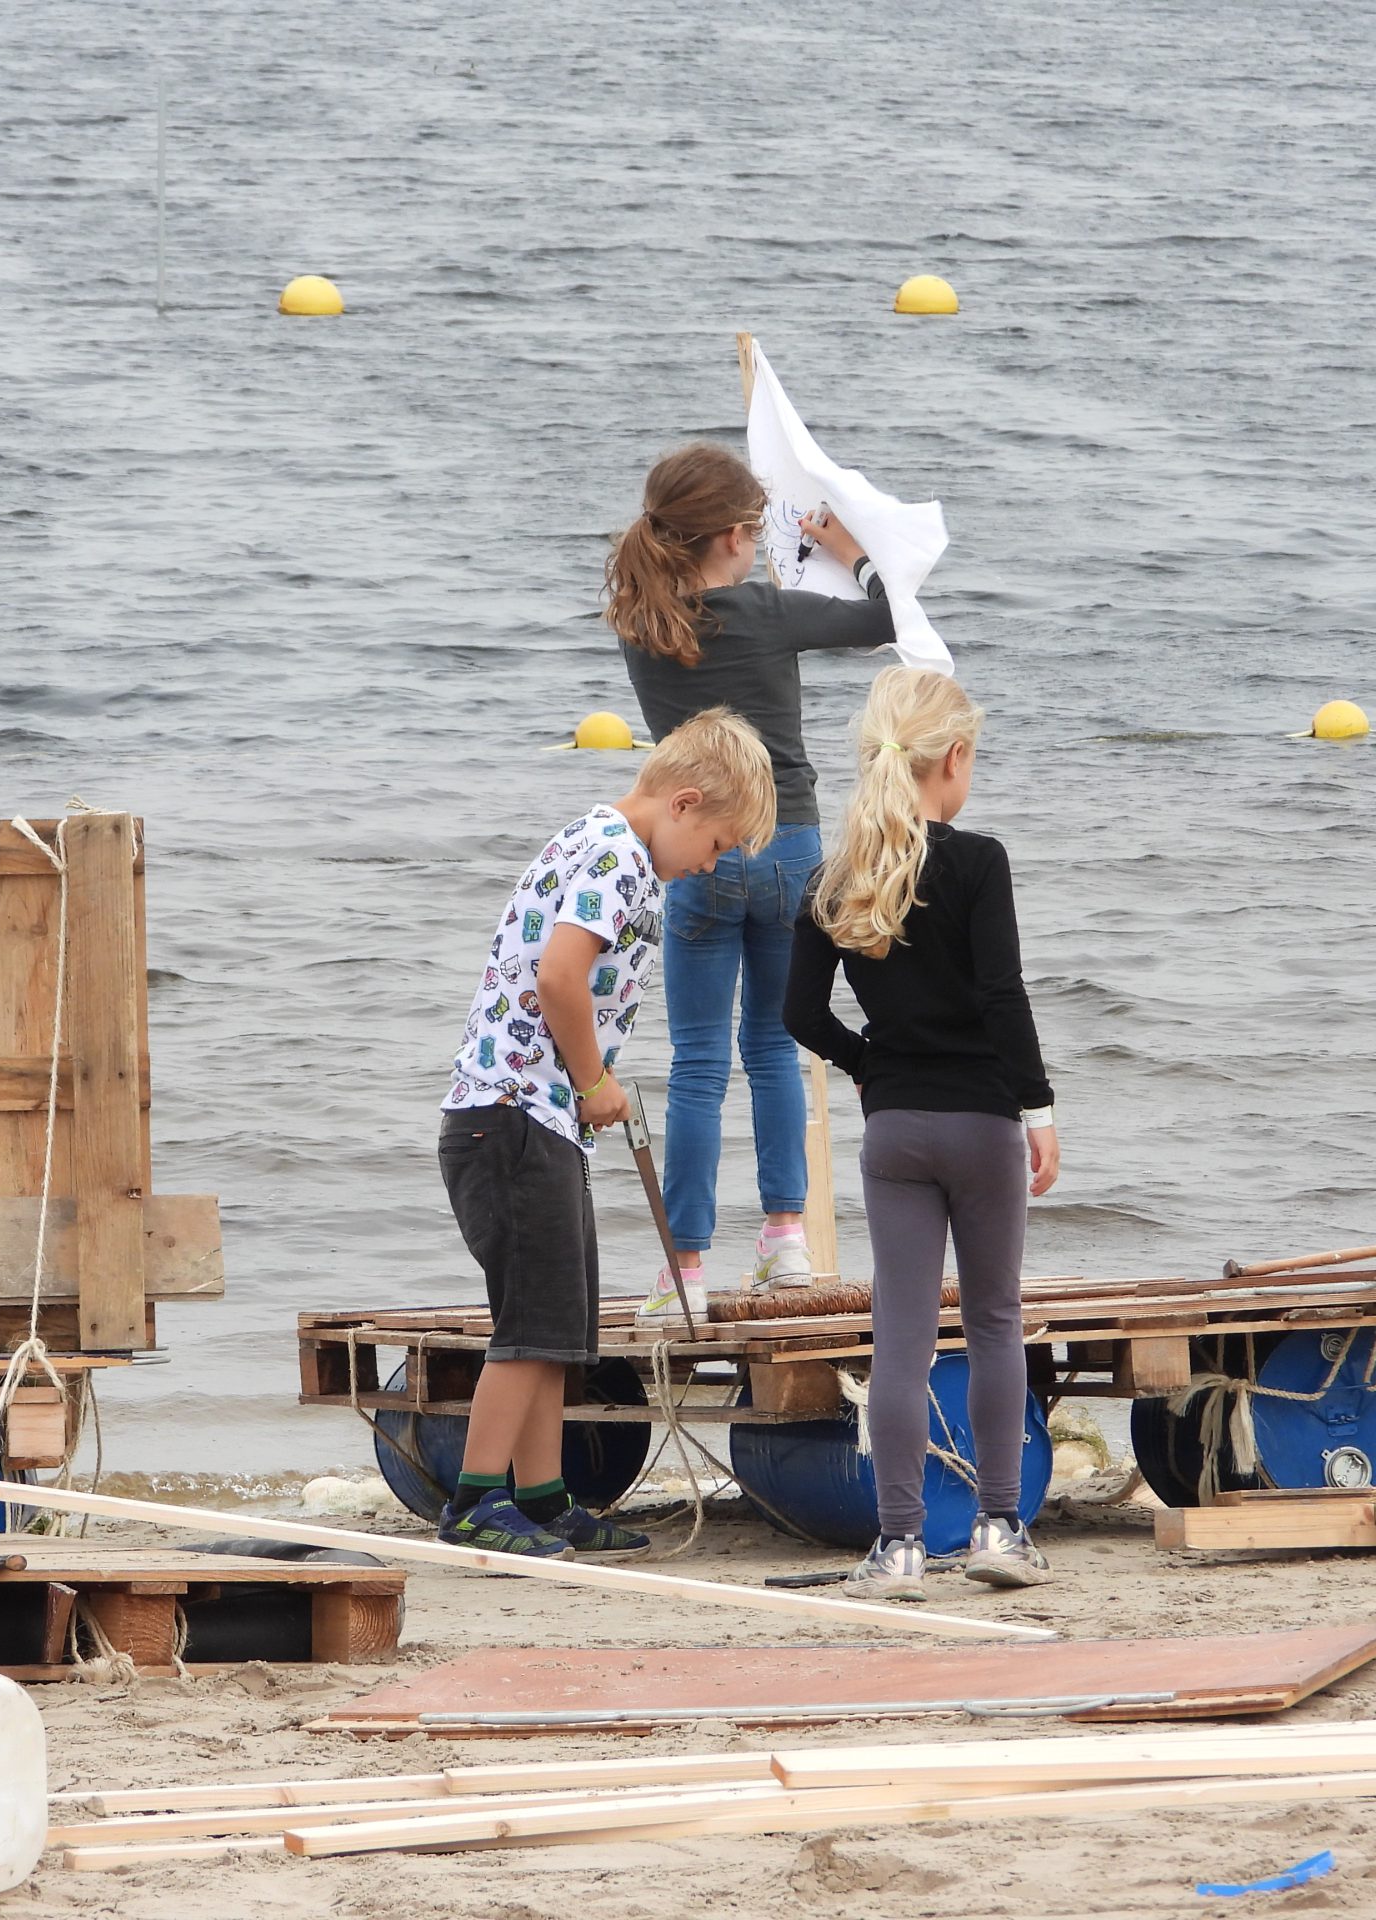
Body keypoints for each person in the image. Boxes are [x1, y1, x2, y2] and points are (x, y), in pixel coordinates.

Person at [438, 708, 779, 1556]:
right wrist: (594, 1081)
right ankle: (476, 1503)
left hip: (528, 1120)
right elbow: (560, 976)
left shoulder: (600, 838)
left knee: (557, 1326)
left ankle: (545, 1497)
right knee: (528, 1329)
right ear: (685, 805)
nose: (713, 865)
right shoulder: (618, 856)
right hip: (516, 1115)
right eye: (718, 845)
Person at [783, 667, 1060, 1592]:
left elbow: (799, 1013)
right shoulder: (981, 862)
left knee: (900, 1333)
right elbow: (1001, 995)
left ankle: (898, 1541)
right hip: (983, 1124)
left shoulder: (837, 876)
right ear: (957, 759)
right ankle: (996, 1530)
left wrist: (871, 1067)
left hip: (895, 1129)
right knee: (992, 1322)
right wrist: (1038, 1107)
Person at [607, 442, 896, 1319]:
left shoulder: (640, 623)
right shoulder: (771, 611)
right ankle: (785, 1242)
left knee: (697, 1062)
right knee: (773, 1048)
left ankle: (686, 1265)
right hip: (790, 845)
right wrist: (849, 552)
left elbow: (713, 616)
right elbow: (884, 618)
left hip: (697, 847)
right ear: (737, 536)